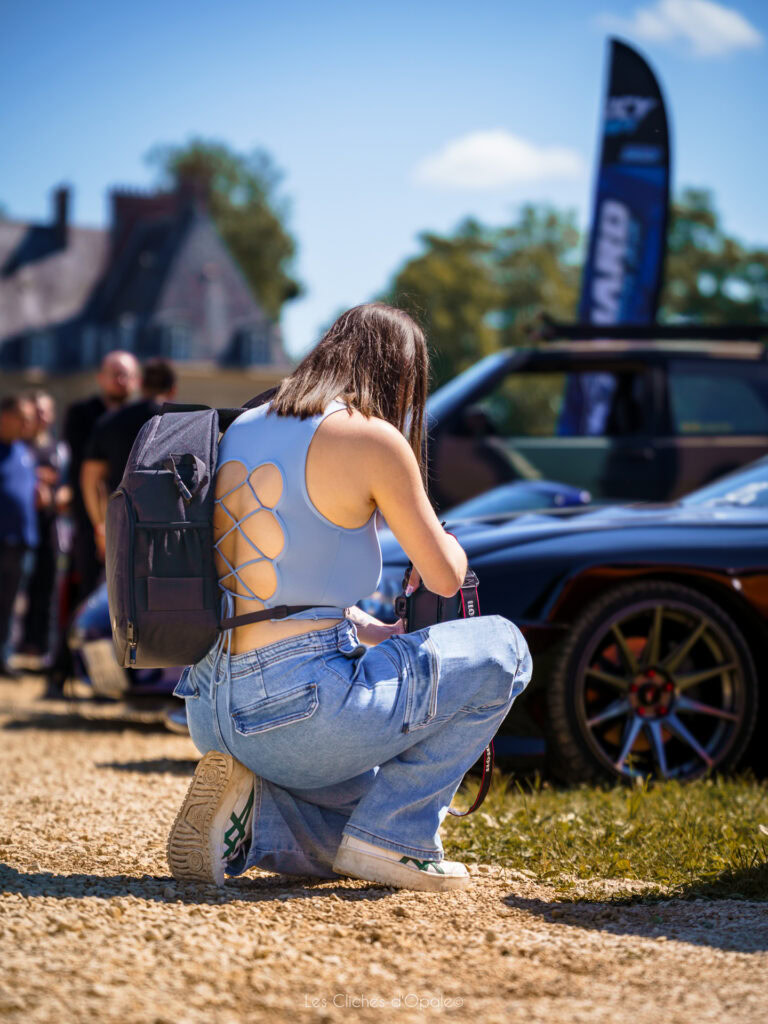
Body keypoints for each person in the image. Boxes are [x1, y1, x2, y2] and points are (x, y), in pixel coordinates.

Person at [167, 303, 532, 893]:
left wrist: (372, 631)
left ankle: (254, 817)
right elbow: (444, 577)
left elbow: (275, 581)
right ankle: (400, 839)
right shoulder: (370, 438)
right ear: (400, 376)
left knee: (358, 818)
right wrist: (448, 544)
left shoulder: (243, 425)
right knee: (504, 648)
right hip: (299, 714)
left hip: (210, 707)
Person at [62, 350, 140, 602]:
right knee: (90, 588)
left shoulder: (141, 416)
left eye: (126, 375)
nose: (120, 381)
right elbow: (88, 472)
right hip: (91, 515)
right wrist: (99, 524)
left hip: (132, 516)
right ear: (100, 378)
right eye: (114, 374)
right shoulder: (82, 414)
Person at [81, 358, 177, 556]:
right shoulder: (185, 424)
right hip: (174, 525)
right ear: (173, 389)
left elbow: (91, 479)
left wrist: (100, 525)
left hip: (124, 523)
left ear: (140, 384)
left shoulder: (110, 421)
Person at [20, 390, 68, 663]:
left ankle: (39, 644)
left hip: (49, 526)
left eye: (44, 411)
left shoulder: (59, 450)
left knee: (46, 586)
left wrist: (60, 496)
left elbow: (68, 485)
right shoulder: (18, 447)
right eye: (35, 411)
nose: (40, 416)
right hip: (20, 527)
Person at [0, 395, 39, 678]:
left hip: (22, 542)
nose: (28, 424)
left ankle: (3, 656)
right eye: (22, 418)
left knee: (11, 604)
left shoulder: (24, 452)